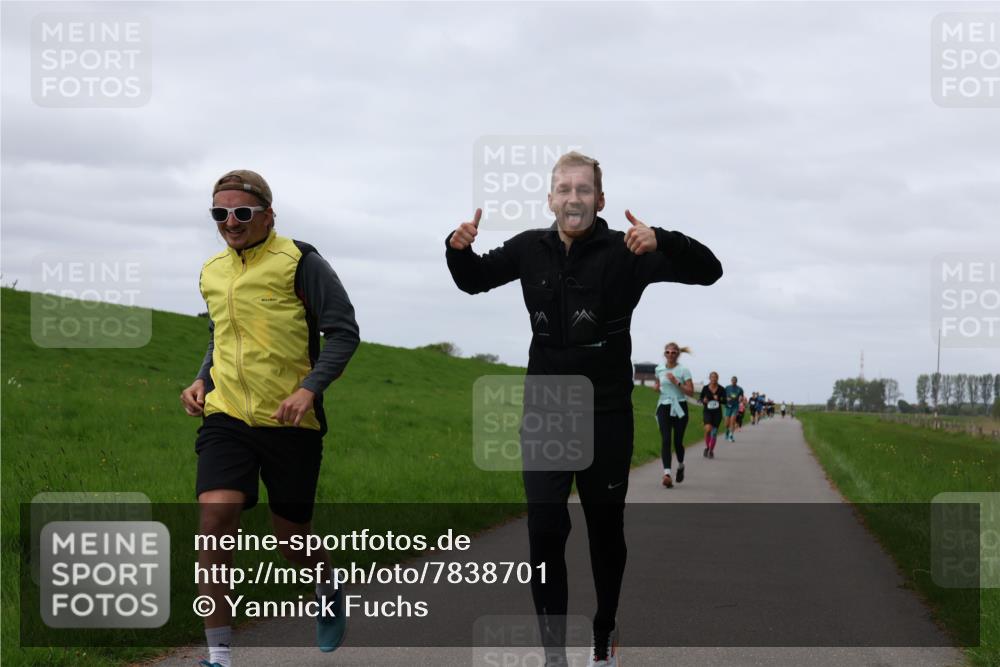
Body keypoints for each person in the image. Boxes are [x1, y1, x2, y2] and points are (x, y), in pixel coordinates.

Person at [445, 151, 722, 667]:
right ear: (551, 199)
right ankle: (554, 653)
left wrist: (664, 238)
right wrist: (457, 249)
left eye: (584, 189)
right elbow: (473, 279)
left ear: (600, 200)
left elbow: (710, 271)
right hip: (548, 410)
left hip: (607, 414)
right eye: (564, 189)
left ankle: (603, 631)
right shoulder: (530, 248)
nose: (574, 198)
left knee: (604, 531)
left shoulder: (628, 249)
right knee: (545, 527)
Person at [179, 170, 360, 667]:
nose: (230, 222)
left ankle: (325, 582)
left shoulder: (301, 261)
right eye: (220, 214)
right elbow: (222, 338)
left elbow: (343, 333)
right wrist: (201, 380)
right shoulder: (212, 269)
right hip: (227, 417)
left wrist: (309, 390)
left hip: (290, 422)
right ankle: (219, 657)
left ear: (268, 215)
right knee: (215, 520)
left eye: (241, 212)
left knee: (292, 540)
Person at [655, 343, 695, 482]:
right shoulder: (659, 369)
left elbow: (691, 392)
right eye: (668, 352)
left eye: (673, 352)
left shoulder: (684, 370)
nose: (670, 355)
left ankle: (681, 465)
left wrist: (677, 382)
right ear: (664, 354)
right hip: (664, 406)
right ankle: (667, 474)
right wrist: (657, 387)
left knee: (678, 442)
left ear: (678, 354)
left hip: (679, 406)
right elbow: (658, 384)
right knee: (666, 439)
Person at [698, 371, 726, 459]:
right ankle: (707, 447)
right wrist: (703, 401)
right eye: (712, 377)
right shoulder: (705, 388)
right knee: (707, 430)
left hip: (717, 413)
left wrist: (719, 399)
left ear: (717, 378)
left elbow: (725, 401)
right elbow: (700, 399)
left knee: (714, 433)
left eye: (715, 377)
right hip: (707, 411)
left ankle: (711, 450)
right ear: (709, 378)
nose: (713, 379)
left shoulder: (721, 389)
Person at [724, 376, 744, 441]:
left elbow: (741, 397)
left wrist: (740, 399)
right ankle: (727, 431)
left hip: (735, 407)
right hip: (728, 406)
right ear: (731, 381)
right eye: (733, 380)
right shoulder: (727, 388)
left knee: (732, 421)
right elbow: (723, 396)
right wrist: (726, 398)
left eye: (735, 380)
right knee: (727, 423)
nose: (734, 381)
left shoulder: (740, 389)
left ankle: (731, 435)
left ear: (736, 381)